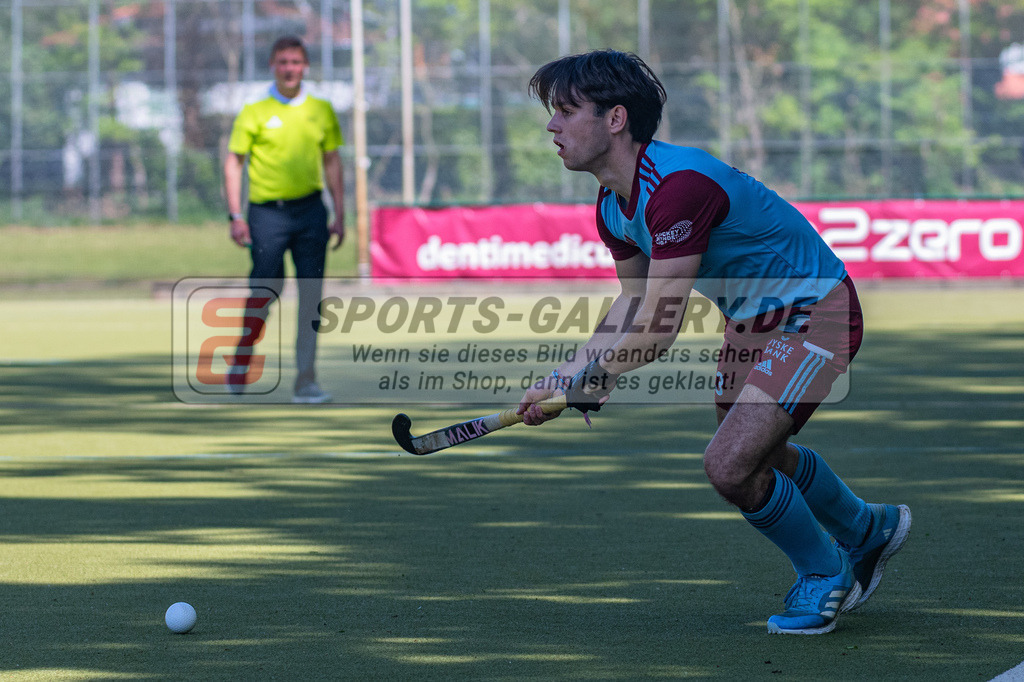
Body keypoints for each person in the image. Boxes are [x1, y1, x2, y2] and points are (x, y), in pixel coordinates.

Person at [517, 49, 911, 635]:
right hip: (751, 324)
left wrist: (593, 380)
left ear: (615, 119)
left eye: (567, 111)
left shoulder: (677, 188)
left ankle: (827, 573)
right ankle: (865, 528)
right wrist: (563, 376)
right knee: (758, 458)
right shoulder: (612, 206)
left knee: (728, 465)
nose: (552, 125)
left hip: (815, 312)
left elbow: (658, 325)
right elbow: (629, 305)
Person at [223, 35, 345, 404]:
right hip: (265, 215)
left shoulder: (321, 109)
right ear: (273, 66)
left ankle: (306, 380)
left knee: (311, 300)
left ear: (305, 65)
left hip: (310, 213)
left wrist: (340, 213)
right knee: (264, 292)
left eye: (296, 62)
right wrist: (235, 214)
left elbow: (332, 162)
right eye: (283, 62)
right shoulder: (254, 111)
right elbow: (234, 163)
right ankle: (242, 357)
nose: (289, 68)